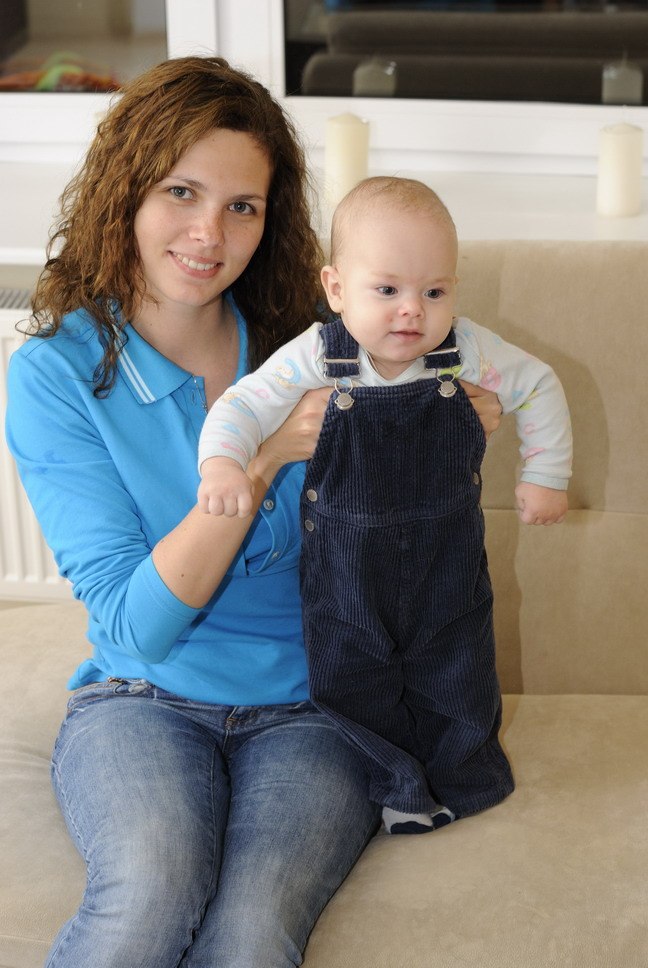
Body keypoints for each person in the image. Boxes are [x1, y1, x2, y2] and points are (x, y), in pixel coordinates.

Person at [5, 58, 502, 968]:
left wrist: (457, 428)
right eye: (181, 192)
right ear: (125, 191)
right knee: (149, 898)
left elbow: (410, 530)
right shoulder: (54, 375)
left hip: (319, 706)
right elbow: (137, 625)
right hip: (140, 701)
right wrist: (265, 457)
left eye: (243, 206)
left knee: (251, 937)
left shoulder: (316, 345)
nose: (210, 234)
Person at [198, 175, 572, 835]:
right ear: (336, 288)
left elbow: (538, 385)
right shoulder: (319, 357)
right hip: (347, 572)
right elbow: (243, 405)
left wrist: (545, 473)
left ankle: (465, 780)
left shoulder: (465, 352)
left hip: (446, 563)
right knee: (352, 680)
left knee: (458, 673)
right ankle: (396, 786)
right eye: (388, 290)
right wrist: (224, 463)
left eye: (435, 292)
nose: (412, 312)